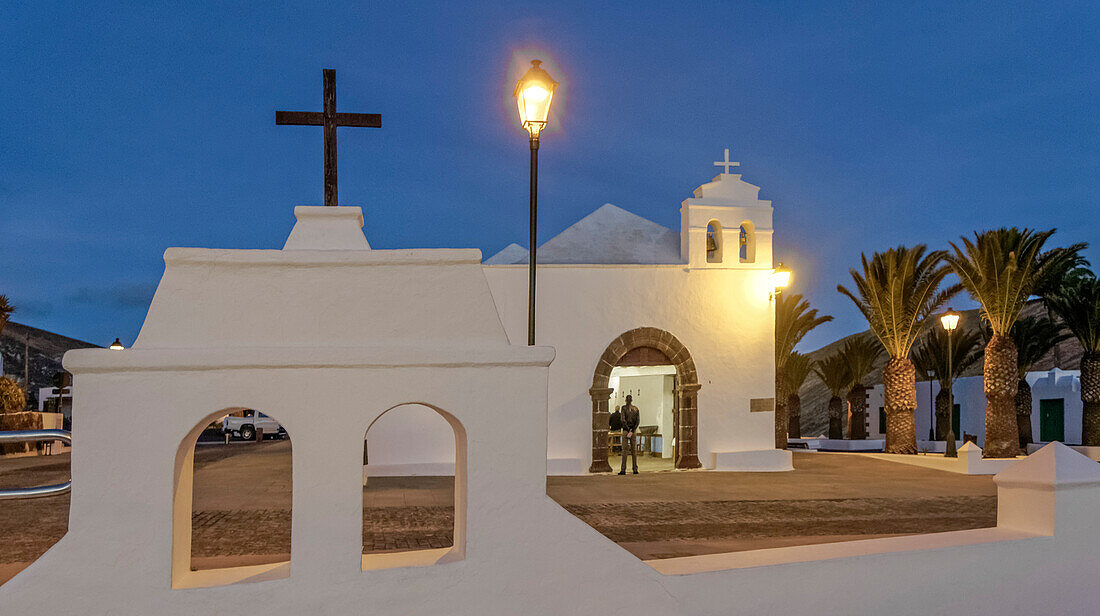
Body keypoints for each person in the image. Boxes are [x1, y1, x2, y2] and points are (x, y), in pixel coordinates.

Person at [618, 395, 640, 475]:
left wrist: (628, 430)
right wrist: (633, 430)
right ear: (632, 400)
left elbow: (623, 420)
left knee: (624, 450)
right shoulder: (636, 409)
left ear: (625, 400)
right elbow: (638, 421)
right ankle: (635, 469)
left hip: (626, 431)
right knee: (634, 450)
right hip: (633, 431)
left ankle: (623, 469)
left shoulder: (624, 408)